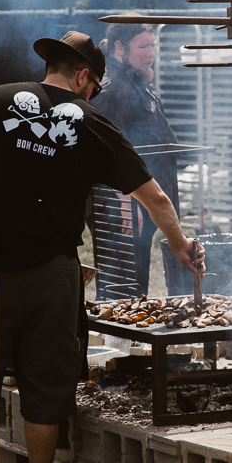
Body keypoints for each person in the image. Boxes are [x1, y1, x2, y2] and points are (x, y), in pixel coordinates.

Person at [0, 31, 204, 463]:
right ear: (85, 75)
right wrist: (179, 244)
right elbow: (155, 198)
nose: (94, 96)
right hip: (50, 275)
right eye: (95, 88)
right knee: (46, 392)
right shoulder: (92, 123)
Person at [93, 21, 179, 296]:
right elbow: (106, 154)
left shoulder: (138, 83)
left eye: (152, 45)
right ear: (119, 48)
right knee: (123, 289)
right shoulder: (113, 89)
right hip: (127, 207)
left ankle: (132, 338)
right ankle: (119, 339)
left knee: (138, 283)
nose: (150, 52)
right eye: (143, 46)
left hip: (143, 203)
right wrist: (126, 202)